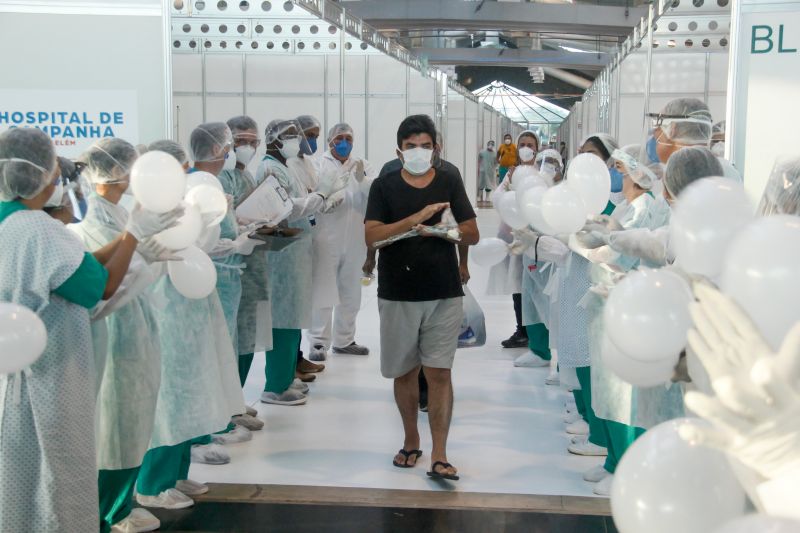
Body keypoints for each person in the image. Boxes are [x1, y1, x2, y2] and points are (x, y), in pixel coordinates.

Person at [0, 128, 180, 532]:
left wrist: (126, 242)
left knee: (17, 479)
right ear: (41, 176)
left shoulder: (9, 221)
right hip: (51, 376)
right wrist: (134, 235)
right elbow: (99, 286)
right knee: (59, 476)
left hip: (13, 378)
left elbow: (74, 266)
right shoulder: (39, 229)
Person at [578, 146, 721, 497]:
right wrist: (614, 234)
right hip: (686, 338)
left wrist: (638, 284)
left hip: (704, 341)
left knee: (690, 420)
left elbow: (689, 276)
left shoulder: (712, 226)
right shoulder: (693, 220)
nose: (666, 196)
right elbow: (660, 244)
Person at [365, 114, 479, 480]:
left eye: (425, 146)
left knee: (440, 372)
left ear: (437, 148)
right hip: (398, 291)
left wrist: (445, 233)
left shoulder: (449, 179)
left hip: (443, 291)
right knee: (404, 372)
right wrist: (416, 219)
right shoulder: (383, 187)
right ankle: (411, 439)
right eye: (411, 146)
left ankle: (440, 454)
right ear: (399, 150)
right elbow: (372, 236)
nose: (419, 152)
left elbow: (472, 232)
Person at [135, 134, 245, 510]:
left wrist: (214, 220)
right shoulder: (145, 211)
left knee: (192, 395)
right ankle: (151, 484)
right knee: (168, 402)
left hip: (192, 309)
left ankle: (176, 474)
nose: (185, 174)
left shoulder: (184, 202)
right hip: (166, 315)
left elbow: (198, 246)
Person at [69, 138, 166, 533]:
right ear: (119, 171)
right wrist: (141, 253)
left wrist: (149, 251)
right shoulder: (87, 217)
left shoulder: (118, 211)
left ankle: (119, 505)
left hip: (134, 324)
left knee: (132, 419)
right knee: (115, 425)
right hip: (112, 331)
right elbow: (106, 282)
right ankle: (107, 512)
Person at [254, 120, 341, 405]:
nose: (298, 141)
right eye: (291, 137)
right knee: (282, 319)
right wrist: (319, 196)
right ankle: (275, 386)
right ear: (274, 140)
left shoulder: (285, 166)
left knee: (293, 319)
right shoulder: (270, 168)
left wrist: (322, 197)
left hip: (295, 252)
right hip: (282, 256)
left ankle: (286, 378)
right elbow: (285, 208)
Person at [192, 122, 264, 442]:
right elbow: (204, 238)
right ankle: (216, 420)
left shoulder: (205, 182)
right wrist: (235, 244)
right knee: (215, 351)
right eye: (232, 145)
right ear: (222, 149)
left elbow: (223, 227)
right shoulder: (204, 185)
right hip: (215, 275)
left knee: (226, 347)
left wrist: (242, 230)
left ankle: (227, 409)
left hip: (225, 274)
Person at [555, 133, 619, 454]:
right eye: (581, 154)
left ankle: (599, 432)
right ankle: (587, 418)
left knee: (592, 358)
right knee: (577, 349)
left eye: (593, 155)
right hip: (575, 283)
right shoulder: (574, 200)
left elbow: (610, 247)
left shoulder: (611, 205)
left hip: (597, 286)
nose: (584, 162)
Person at [217, 116, 281, 395]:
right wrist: (247, 227)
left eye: (251, 142)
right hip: (229, 266)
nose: (246, 147)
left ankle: (236, 402)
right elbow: (225, 224)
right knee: (230, 339)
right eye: (239, 141)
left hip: (251, 264)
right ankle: (227, 410)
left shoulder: (245, 175)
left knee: (247, 333)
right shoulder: (221, 177)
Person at [308, 123, 376, 361]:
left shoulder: (362, 165)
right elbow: (313, 195)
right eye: (339, 138)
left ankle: (344, 340)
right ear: (330, 141)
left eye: (348, 137)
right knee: (324, 291)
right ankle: (318, 342)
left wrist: (362, 179)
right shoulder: (317, 164)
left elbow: (375, 194)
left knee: (351, 292)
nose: (344, 142)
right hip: (326, 237)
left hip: (355, 237)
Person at [488, 130, 541, 350]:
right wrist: (508, 181)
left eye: (531, 144)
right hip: (513, 235)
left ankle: (537, 334)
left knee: (536, 287)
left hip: (537, 238)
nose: (526, 148)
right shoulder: (512, 172)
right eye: (523, 144)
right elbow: (497, 198)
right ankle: (522, 330)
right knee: (517, 285)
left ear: (537, 148)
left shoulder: (543, 172)